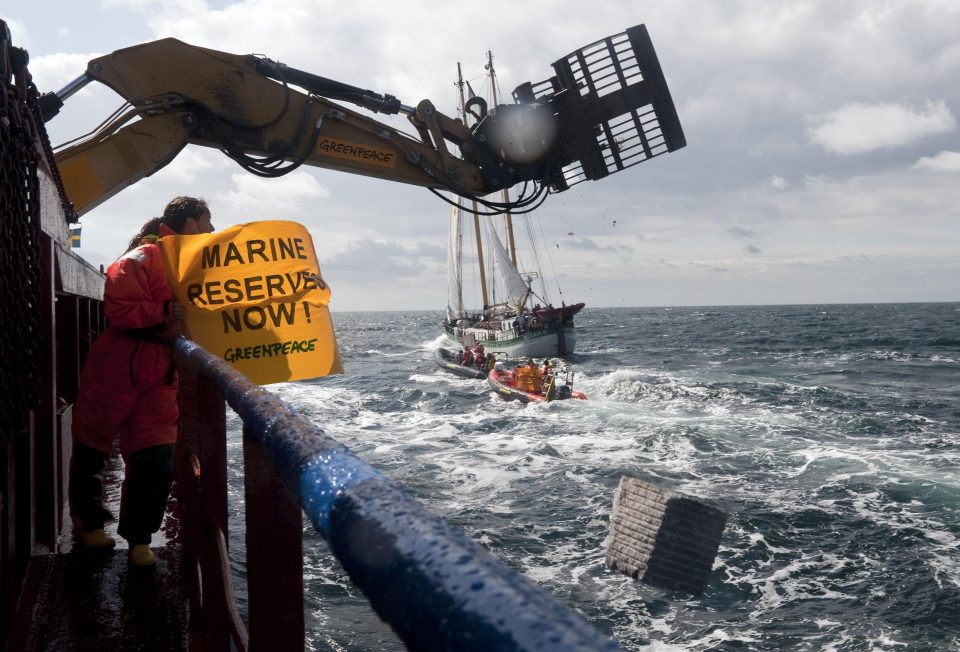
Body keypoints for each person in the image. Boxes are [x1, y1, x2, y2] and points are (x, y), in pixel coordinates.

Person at [69, 196, 214, 568]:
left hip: (161, 369)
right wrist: (164, 311)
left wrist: (298, 285)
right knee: (93, 447)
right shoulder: (145, 256)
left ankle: (139, 540)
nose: (211, 230)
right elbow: (118, 306)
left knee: (156, 457)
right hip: (118, 362)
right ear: (191, 223)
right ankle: (89, 526)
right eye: (206, 221)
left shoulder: (198, 264)